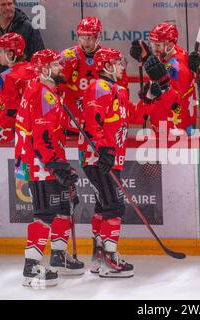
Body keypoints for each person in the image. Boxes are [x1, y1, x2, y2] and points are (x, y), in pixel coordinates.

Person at [15, 49, 84, 288]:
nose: (59, 67)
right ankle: (31, 267)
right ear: (44, 69)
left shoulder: (48, 90)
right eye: (55, 64)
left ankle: (58, 256)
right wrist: (55, 164)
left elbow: (52, 131)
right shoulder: (41, 93)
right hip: (40, 163)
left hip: (50, 159)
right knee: (44, 214)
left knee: (64, 207)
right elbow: (41, 136)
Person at [80, 47, 134, 278]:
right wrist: (104, 149)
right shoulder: (98, 87)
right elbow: (93, 122)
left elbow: (129, 117)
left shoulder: (116, 89)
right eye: (118, 62)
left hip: (108, 157)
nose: (122, 65)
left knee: (104, 206)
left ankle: (98, 258)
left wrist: (150, 98)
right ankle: (110, 261)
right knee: (114, 206)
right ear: (107, 66)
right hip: (100, 158)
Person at [60, 17, 129, 133]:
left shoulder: (110, 58)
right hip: (72, 122)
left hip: (100, 122)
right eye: (82, 37)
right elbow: (55, 88)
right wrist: (64, 72)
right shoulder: (67, 56)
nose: (85, 42)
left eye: (90, 38)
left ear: (98, 37)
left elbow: (122, 89)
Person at [130, 22, 195, 134]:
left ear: (170, 45)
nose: (154, 49)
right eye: (153, 44)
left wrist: (162, 83)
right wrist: (147, 58)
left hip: (175, 130)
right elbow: (160, 70)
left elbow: (176, 104)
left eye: (158, 45)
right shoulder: (171, 53)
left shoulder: (178, 67)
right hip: (164, 127)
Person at [0, 32, 35, 148]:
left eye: (0, 51)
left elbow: (10, 111)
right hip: (37, 125)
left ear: (10, 54)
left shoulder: (6, 77)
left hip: (16, 128)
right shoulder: (34, 68)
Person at [0, 0, 44, 79]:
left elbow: (39, 55)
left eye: (10, 4)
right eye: (3, 5)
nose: (7, 8)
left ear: (14, 4)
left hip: (20, 81)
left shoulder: (28, 26)